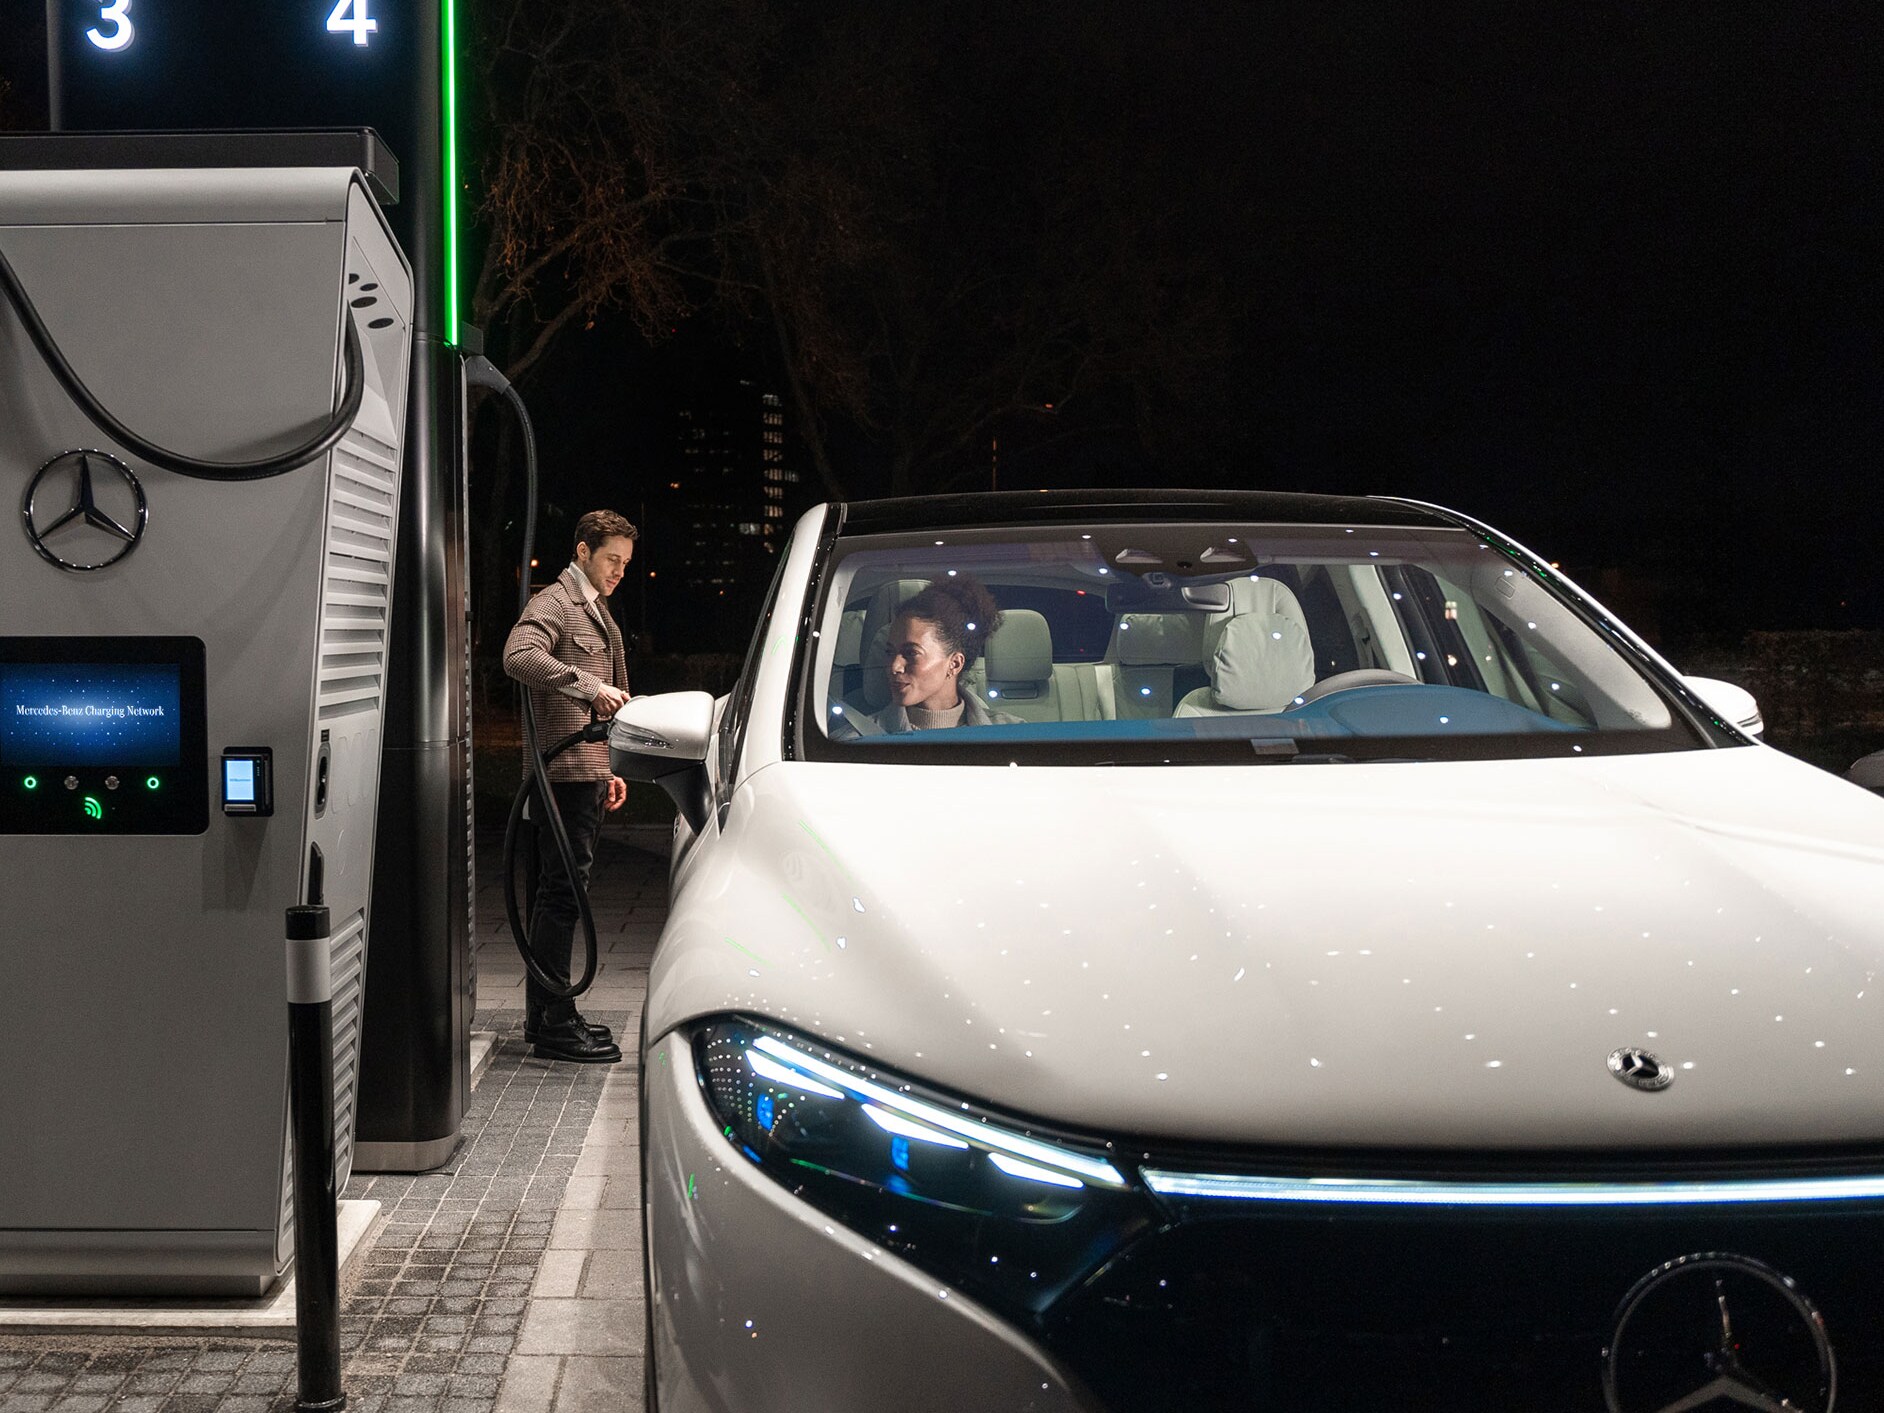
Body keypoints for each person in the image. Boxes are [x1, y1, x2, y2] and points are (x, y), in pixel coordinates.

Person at [503, 509, 636, 1063]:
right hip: (561, 775)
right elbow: (517, 656)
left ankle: (547, 1015)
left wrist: (613, 765)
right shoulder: (556, 602)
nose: (619, 572)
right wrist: (586, 686)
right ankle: (556, 1021)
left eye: (626, 564)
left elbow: (616, 694)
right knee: (562, 895)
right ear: (583, 551)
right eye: (612, 559)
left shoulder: (594, 607)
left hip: (585, 771)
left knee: (554, 893)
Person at [872, 576, 1023, 733]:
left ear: (955, 664)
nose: (894, 667)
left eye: (911, 653)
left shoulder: (1016, 736)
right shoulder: (857, 740)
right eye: (890, 652)